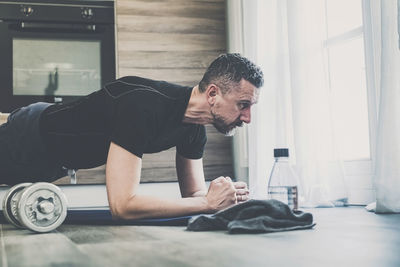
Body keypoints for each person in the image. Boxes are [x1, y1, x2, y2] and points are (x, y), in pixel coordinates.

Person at [0, 53, 264, 220]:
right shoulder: (142, 106)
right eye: (243, 104)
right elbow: (123, 205)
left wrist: (220, 200)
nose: (248, 117)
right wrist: (207, 203)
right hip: (26, 136)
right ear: (213, 94)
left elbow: (194, 195)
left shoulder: (194, 128)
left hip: (53, 161)